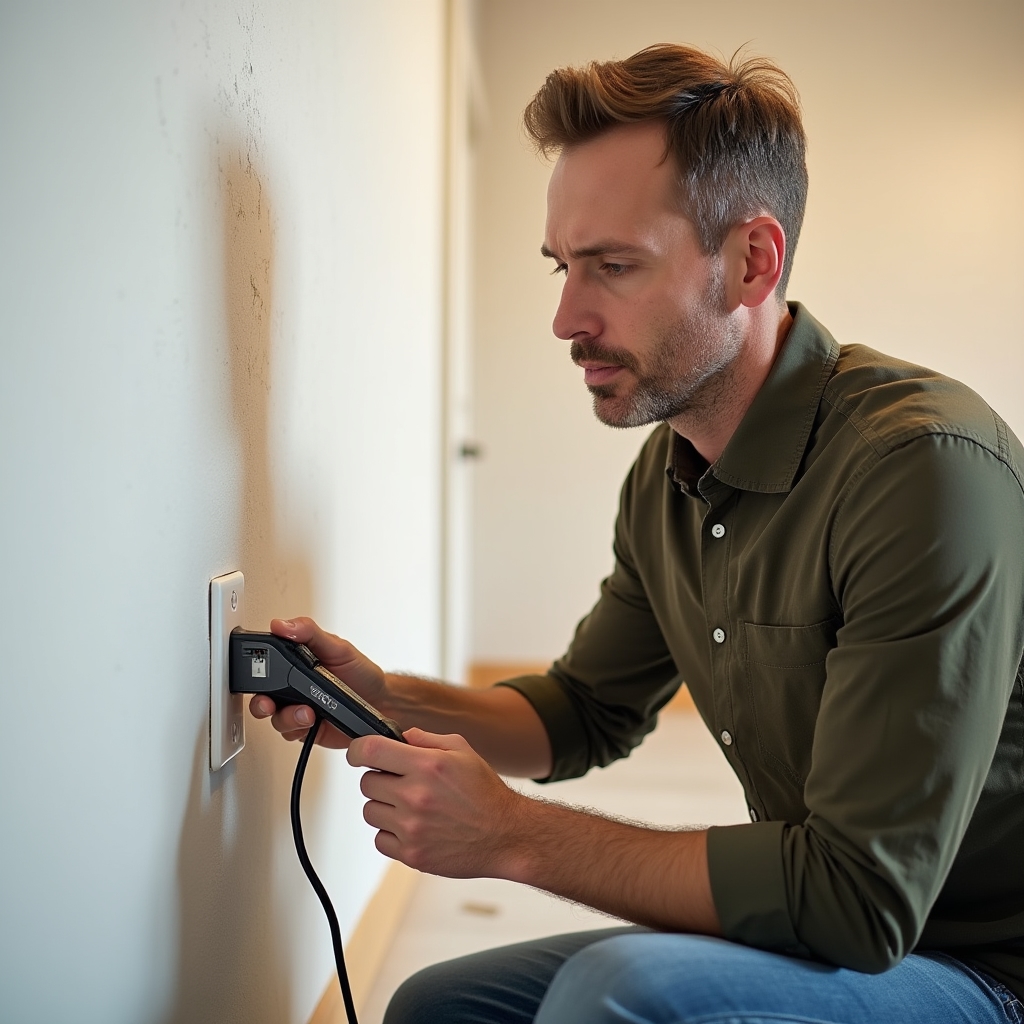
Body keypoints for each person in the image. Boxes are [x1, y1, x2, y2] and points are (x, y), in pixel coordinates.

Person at [253, 44, 1024, 1024]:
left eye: (612, 267)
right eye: (563, 267)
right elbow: (581, 712)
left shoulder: (923, 471)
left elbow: (855, 899)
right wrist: (379, 696)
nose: (566, 318)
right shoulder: (667, 481)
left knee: (615, 995)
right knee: (437, 1004)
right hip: (849, 936)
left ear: (751, 262)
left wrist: (515, 835)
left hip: (981, 969)